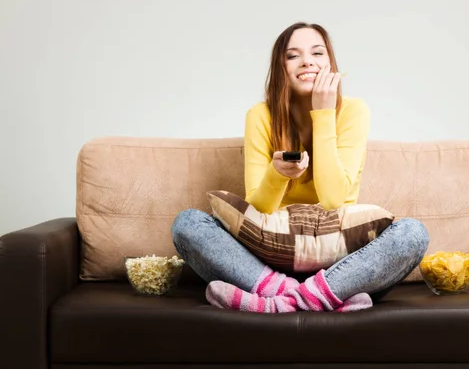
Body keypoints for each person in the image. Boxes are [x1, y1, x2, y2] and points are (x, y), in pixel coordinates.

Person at [171, 22, 429, 313]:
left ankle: (277, 303)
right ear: (281, 68)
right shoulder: (260, 115)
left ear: (330, 64)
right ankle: (313, 297)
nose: (308, 61)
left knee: (412, 234)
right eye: (294, 55)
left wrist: (323, 112)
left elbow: (333, 201)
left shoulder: (354, 111)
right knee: (188, 224)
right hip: (268, 258)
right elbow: (259, 208)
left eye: (318, 53)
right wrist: (277, 174)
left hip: (339, 262)